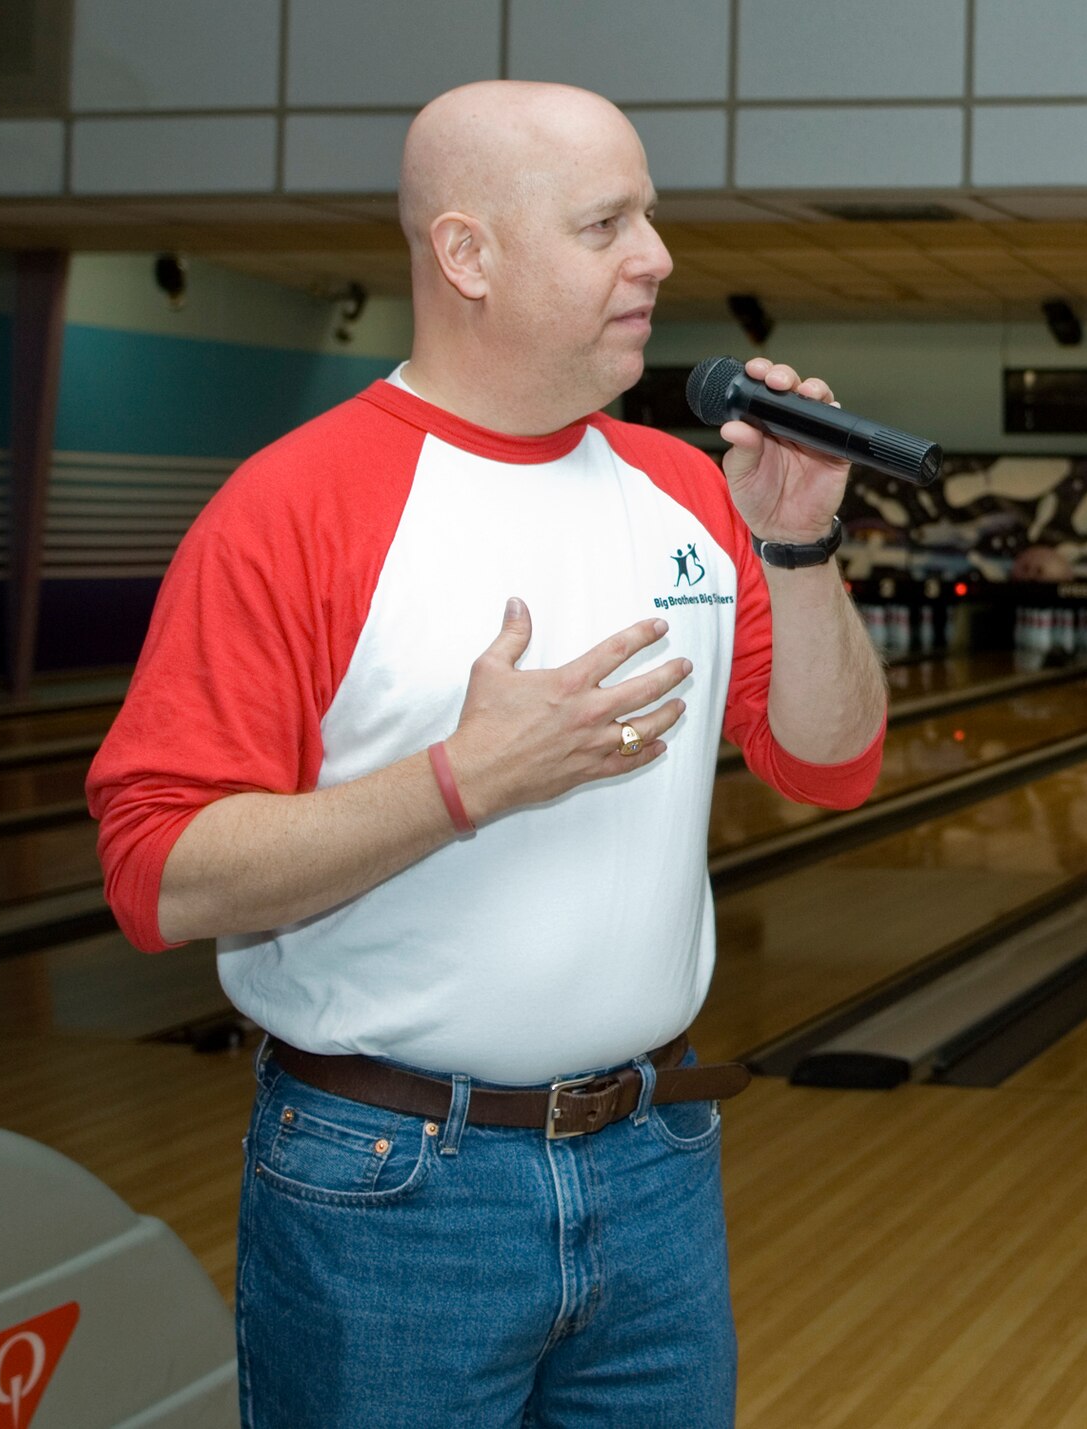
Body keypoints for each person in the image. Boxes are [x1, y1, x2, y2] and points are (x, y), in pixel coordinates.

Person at [85, 80, 887, 1427]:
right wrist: (465, 783)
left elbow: (832, 764)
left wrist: (797, 550)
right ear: (468, 255)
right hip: (391, 1185)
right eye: (605, 225)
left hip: (655, 1163)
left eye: (650, 218)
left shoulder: (688, 489)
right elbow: (156, 871)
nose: (658, 257)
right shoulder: (293, 508)